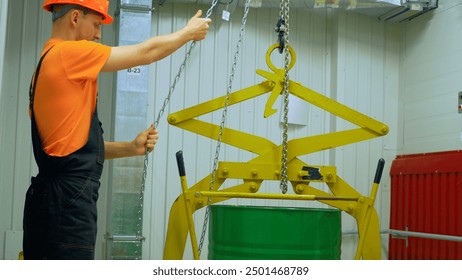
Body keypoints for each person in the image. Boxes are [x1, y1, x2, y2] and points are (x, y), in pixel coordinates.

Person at [23, 0, 212, 260]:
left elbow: (72, 151)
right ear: (75, 18)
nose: (100, 34)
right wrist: (188, 33)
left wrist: (130, 148)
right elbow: (147, 53)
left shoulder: (45, 64)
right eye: (97, 24)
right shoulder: (69, 54)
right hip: (68, 208)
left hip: (46, 203)